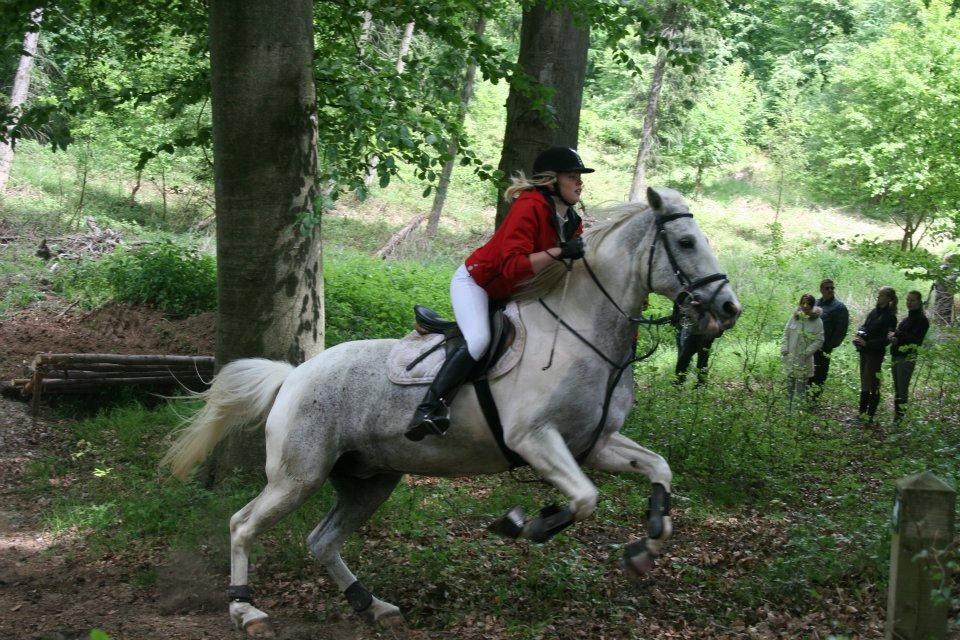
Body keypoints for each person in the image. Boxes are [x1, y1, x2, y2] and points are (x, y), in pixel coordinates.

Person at [405, 147, 594, 441]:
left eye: (579, 177)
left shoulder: (572, 221)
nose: (579, 183)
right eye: (572, 176)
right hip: (479, 282)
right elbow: (512, 267)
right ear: (550, 180)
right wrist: (559, 252)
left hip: (515, 292)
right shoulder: (529, 205)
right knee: (479, 339)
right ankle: (429, 409)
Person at [852, 286, 898, 423]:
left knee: (873, 384)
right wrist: (860, 334)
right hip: (864, 351)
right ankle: (861, 415)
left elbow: (886, 340)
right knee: (864, 382)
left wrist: (868, 344)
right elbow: (865, 326)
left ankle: (870, 416)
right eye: (879, 294)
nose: (878, 297)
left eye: (882, 295)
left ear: (889, 299)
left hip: (875, 353)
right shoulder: (874, 312)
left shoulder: (890, 317)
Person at [889, 290, 930, 423]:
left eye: (912, 300)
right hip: (896, 356)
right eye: (908, 300)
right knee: (897, 389)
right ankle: (897, 419)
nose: (909, 302)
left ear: (919, 302)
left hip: (907, 358)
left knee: (902, 390)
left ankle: (899, 421)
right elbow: (902, 338)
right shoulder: (907, 319)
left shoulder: (922, 320)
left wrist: (897, 333)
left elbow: (915, 340)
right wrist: (894, 339)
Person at [808, 278, 849, 401]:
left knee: (819, 375)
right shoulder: (815, 303)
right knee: (807, 373)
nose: (830, 290)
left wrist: (828, 345)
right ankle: (805, 400)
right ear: (821, 289)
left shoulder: (839, 307)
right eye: (827, 288)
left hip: (823, 348)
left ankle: (813, 402)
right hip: (809, 346)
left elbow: (841, 330)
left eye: (832, 288)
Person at [781, 294, 824, 411]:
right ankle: (787, 414)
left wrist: (806, 353)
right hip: (790, 359)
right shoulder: (794, 317)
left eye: (808, 304)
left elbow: (819, 340)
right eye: (803, 303)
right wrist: (784, 348)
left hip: (804, 361)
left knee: (800, 391)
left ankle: (795, 416)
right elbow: (786, 334)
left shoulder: (817, 321)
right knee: (789, 389)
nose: (805, 306)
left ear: (812, 306)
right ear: (800, 304)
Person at [670, 301, 720, 387]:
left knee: (702, 359)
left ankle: (701, 383)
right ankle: (679, 380)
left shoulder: (709, 299)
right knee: (684, 356)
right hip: (694, 332)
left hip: (706, 333)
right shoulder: (690, 298)